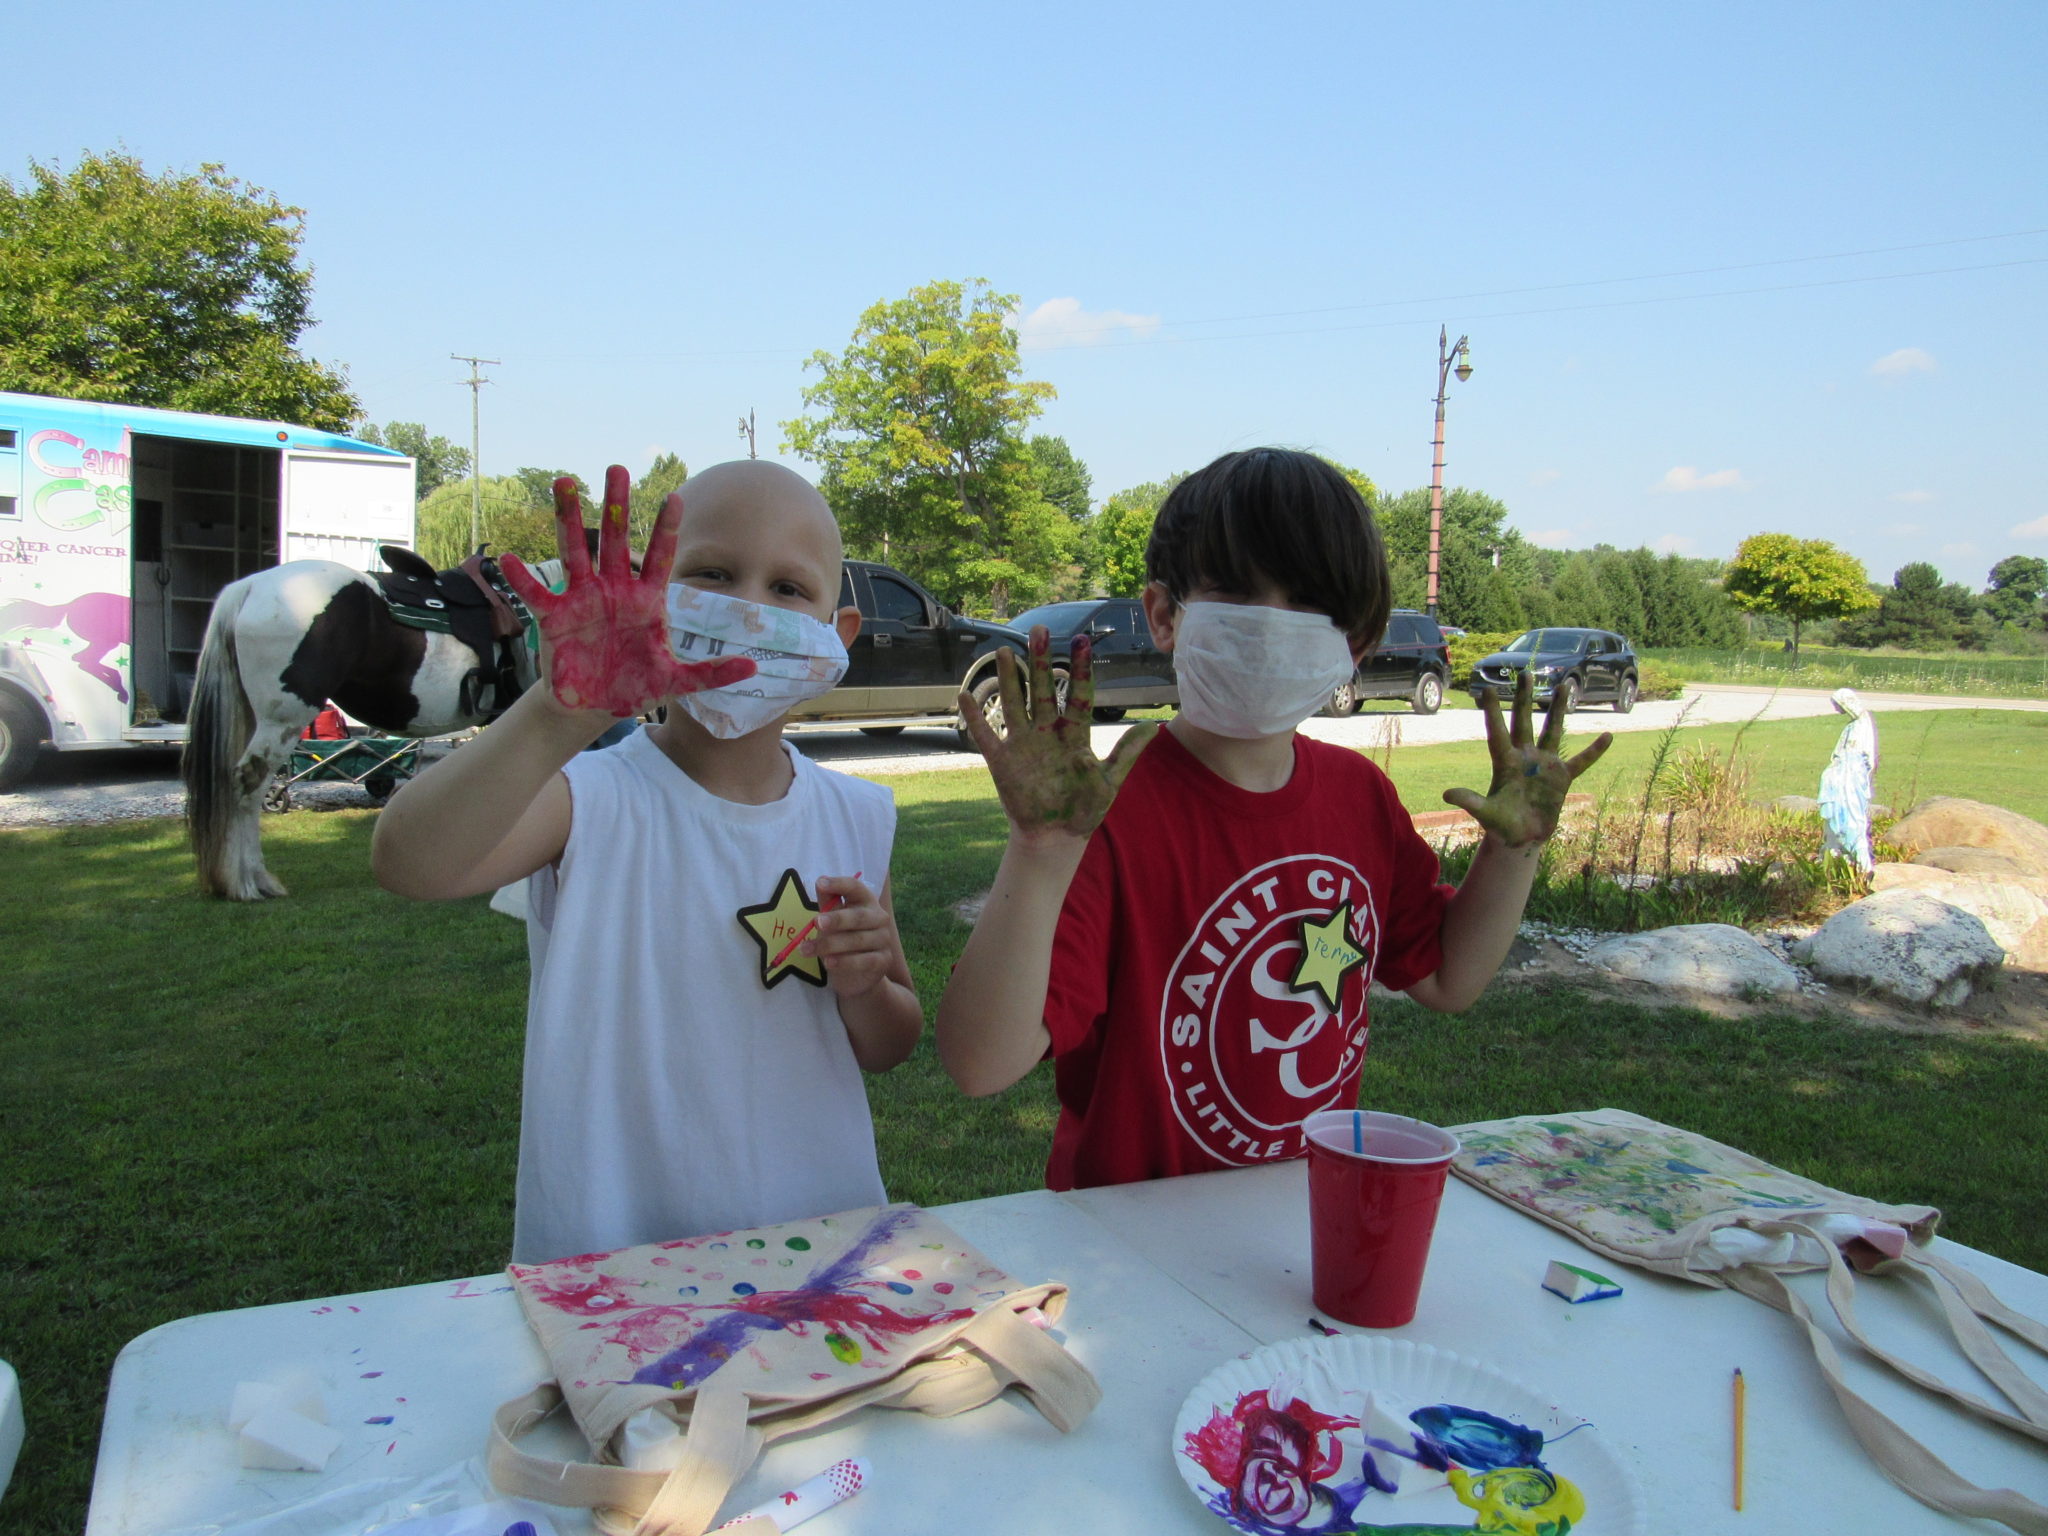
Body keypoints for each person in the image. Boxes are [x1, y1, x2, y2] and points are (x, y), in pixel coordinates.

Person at [934, 447, 1611, 1191]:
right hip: (1131, 1236)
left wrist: (1514, 852)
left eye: (1309, 601)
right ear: (1163, 615)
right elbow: (978, 1064)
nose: (1270, 623)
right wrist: (1040, 851)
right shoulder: (1104, 813)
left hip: (1302, 1220)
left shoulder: (1361, 796)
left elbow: (1450, 979)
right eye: (1236, 590)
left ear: (1354, 645)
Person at [372, 461, 923, 1262]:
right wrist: (562, 712)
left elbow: (890, 1043)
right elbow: (408, 863)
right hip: (614, 1264)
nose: (747, 609)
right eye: (713, 575)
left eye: (787, 588)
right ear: (653, 593)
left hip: (816, 1250)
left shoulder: (858, 817)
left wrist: (866, 986)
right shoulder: (586, 799)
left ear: (833, 638)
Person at [1818, 687, 1878, 874]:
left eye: (1837, 705)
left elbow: (1856, 755)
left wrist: (1837, 770)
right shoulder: (1854, 725)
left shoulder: (1861, 724)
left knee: (1851, 820)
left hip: (1849, 781)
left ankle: (1861, 864)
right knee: (1835, 818)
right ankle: (1834, 854)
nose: (1836, 709)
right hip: (1842, 778)